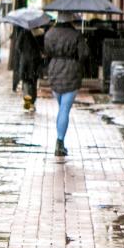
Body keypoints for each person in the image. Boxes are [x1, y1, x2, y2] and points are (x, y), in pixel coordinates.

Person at [43, 12, 88, 157]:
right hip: (71, 71)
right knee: (65, 109)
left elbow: (47, 52)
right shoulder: (76, 35)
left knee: (61, 107)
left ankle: (60, 141)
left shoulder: (49, 34)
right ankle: (60, 142)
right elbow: (84, 54)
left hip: (54, 69)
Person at [16, 25, 46, 111]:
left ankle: (27, 102)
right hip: (35, 61)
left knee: (26, 82)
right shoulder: (40, 33)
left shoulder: (23, 32)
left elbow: (18, 46)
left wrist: (23, 52)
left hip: (25, 62)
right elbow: (43, 47)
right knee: (33, 82)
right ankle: (32, 103)